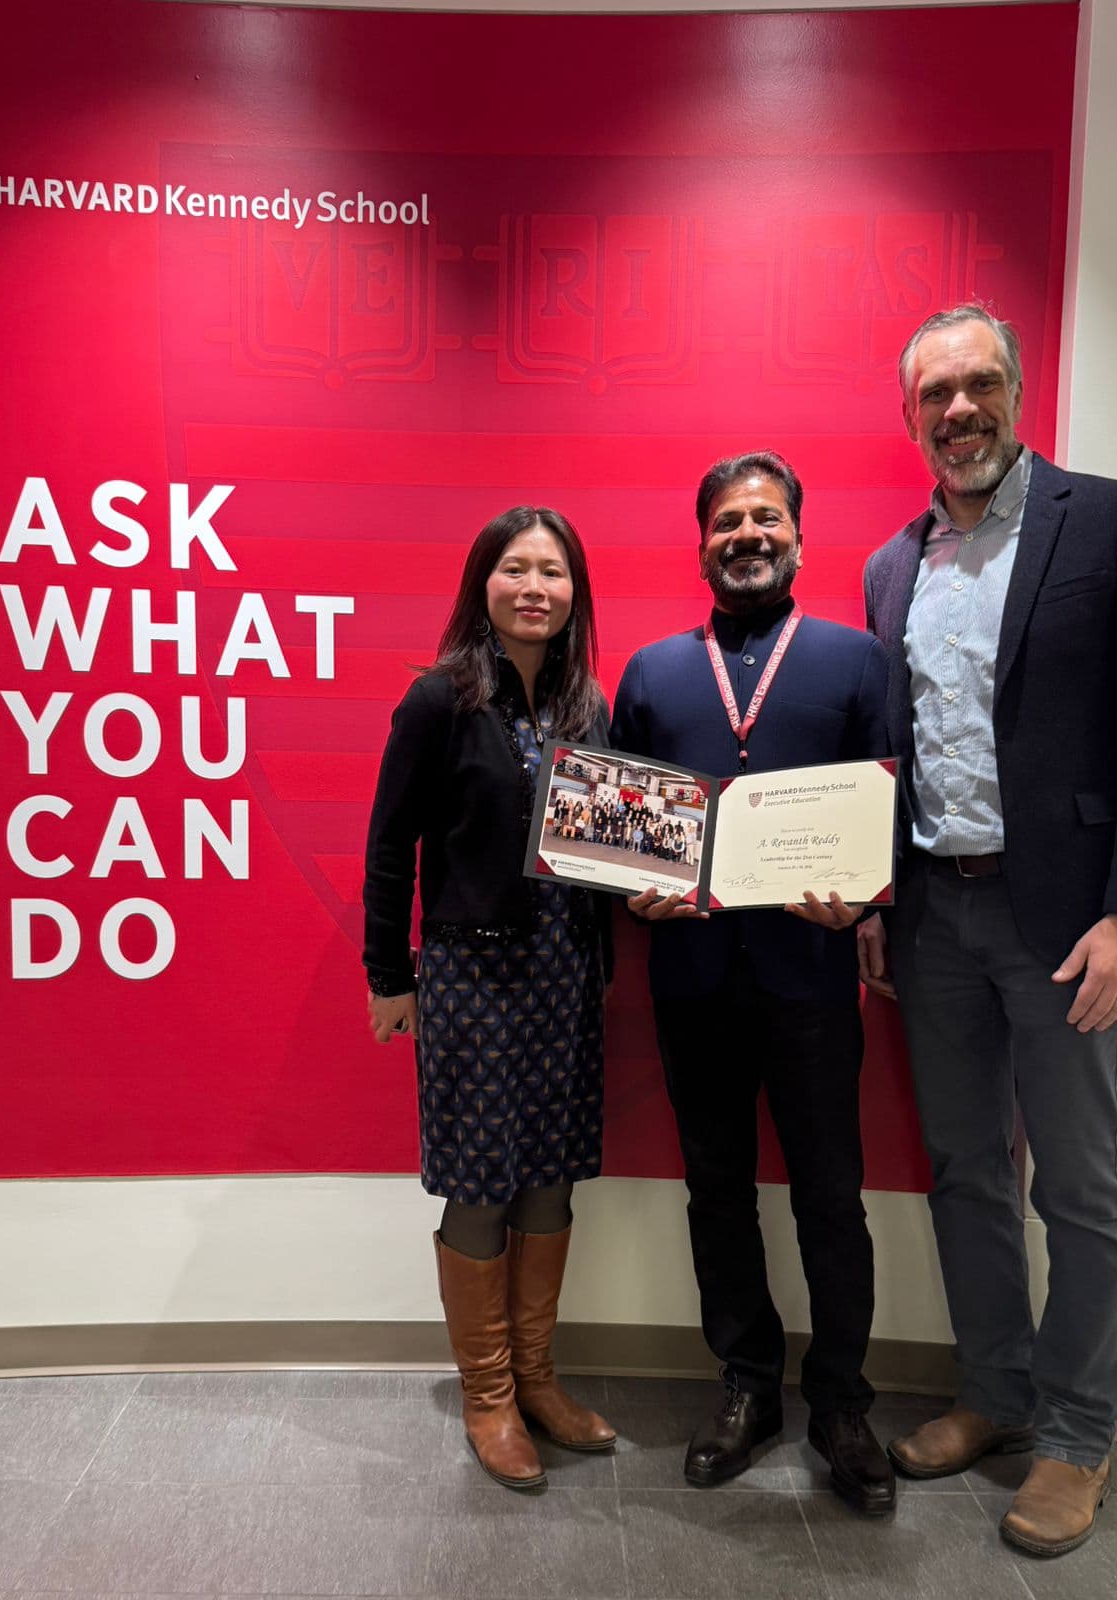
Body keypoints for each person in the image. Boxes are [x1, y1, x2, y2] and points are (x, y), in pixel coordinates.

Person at [859, 305, 1117, 1556]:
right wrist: (882, 906)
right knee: (963, 1170)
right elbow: (899, 760)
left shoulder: (1109, 520)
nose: (958, 410)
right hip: (935, 913)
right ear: (909, 419)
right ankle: (994, 1393)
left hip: (1067, 925)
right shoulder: (891, 568)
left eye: (978, 383)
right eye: (933, 394)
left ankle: (1073, 1433)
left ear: (1014, 390)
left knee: (1083, 1186)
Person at [611, 451, 896, 1516]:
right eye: (726, 519)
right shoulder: (650, 671)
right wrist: (630, 890)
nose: (746, 533)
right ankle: (745, 1383)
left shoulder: (853, 661)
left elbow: (883, 811)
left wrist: (864, 900)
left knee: (830, 1194)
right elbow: (620, 831)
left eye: (765, 517)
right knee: (715, 1188)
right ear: (701, 544)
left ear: (795, 538)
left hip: (812, 975)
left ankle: (840, 1403)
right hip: (689, 977)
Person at [362, 505, 618, 1490]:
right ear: (483, 584)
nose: (533, 588)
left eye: (552, 572)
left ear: (572, 593)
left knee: (549, 1174)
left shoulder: (586, 705)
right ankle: (487, 1394)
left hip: (564, 970)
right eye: (515, 569)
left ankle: (539, 1380)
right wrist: (389, 974)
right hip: (470, 974)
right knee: (480, 1182)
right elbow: (389, 846)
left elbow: (616, 835)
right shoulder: (438, 699)